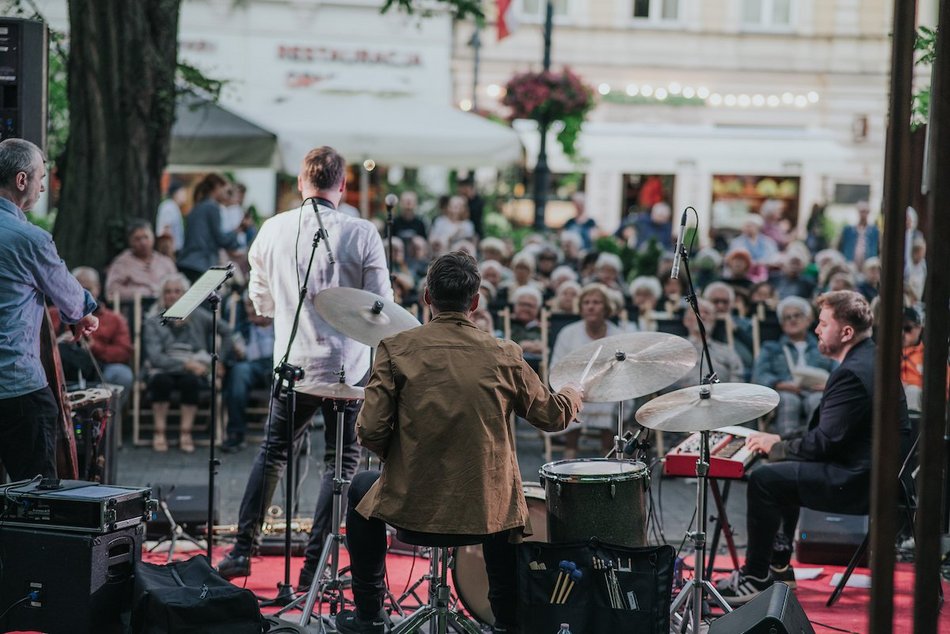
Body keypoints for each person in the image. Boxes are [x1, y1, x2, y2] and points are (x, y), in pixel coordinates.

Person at [335, 251, 583, 634]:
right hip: (483, 515)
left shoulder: (394, 349)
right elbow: (553, 417)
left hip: (411, 509)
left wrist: (401, 456)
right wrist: (572, 393)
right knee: (504, 498)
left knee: (360, 489)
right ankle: (506, 623)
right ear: (476, 302)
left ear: (426, 299)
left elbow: (368, 431)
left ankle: (369, 616)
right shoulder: (505, 354)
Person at [217, 146, 391, 587]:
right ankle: (314, 568)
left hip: (293, 365)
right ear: (343, 185)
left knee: (273, 452)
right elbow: (380, 307)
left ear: (301, 183)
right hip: (348, 369)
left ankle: (242, 550)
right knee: (341, 466)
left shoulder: (273, 229)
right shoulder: (362, 232)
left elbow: (262, 303)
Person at [716, 290, 909, 605]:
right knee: (783, 474)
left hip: (860, 482)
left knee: (765, 480)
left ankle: (756, 577)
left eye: (823, 323)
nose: (817, 330)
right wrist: (780, 442)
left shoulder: (851, 372)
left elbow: (824, 443)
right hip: (873, 472)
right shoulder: (869, 358)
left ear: (846, 332)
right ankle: (779, 569)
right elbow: (831, 433)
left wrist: (777, 445)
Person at [0, 138, 99, 480]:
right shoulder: (29, 239)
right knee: (35, 500)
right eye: (42, 176)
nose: (45, 185)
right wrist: (83, 313)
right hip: (15, 385)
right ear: (22, 180)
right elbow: (70, 298)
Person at [142, 274, 233, 453]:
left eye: (177, 291)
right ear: (162, 295)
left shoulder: (198, 315)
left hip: (194, 369)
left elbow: (227, 331)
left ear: (185, 295)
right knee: (161, 382)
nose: (172, 295)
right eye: (168, 291)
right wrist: (186, 365)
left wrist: (220, 360)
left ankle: (186, 433)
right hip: (163, 369)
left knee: (190, 382)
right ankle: (159, 433)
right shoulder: (153, 321)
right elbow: (155, 358)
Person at [548, 283, 624, 458]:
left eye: (596, 302)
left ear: (606, 308)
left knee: (612, 402)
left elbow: (621, 370)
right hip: (576, 385)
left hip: (607, 388)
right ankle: (570, 455)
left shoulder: (618, 334)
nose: (591, 306)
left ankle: (608, 456)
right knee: (570, 397)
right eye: (586, 302)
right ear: (581, 307)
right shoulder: (568, 333)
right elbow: (557, 366)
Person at [52, 267, 134, 408]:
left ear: (98, 289)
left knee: (122, 374)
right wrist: (57, 343)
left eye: (88, 288)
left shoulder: (114, 319)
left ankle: (105, 423)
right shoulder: (53, 314)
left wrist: (94, 346)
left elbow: (124, 352)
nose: (82, 293)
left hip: (100, 367)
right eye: (78, 287)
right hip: (61, 367)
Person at [752, 296, 835, 437]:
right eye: (787, 317)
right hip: (786, 391)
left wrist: (829, 384)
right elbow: (760, 374)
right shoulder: (771, 348)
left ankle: (816, 446)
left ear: (808, 320)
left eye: (797, 315)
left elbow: (839, 370)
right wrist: (779, 384)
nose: (792, 320)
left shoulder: (825, 346)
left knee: (817, 400)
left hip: (817, 390)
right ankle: (786, 447)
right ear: (782, 324)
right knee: (789, 400)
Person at [222, 293, 275, 452]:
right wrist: (236, 353)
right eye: (248, 306)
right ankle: (236, 434)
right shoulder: (242, 329)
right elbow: (230, 357)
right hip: (251, 370)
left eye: (255, 305)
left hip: (275, 368)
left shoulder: (282, 326)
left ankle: (293, 437)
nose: (251, 310)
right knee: (239, 371)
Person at [176, 173, 247, 283]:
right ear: (217, 187)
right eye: (227, 191)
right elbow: (221, 240)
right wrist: (239, 230)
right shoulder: (212, 207)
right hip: (202, 264)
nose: (228, 196)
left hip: (186, 262)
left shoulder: (198, 206)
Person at [105, 220, 179, 301]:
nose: (143, 242)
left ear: (153, 237)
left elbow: (178, 285)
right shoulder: (121, 263)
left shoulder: (166, 262)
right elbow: (112, 291)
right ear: (130, 241)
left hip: (164, 308)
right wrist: (141, 292)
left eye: (146, 237)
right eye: (137, 239)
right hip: (134, 308)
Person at [155, 180, 187, 255]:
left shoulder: (174, 206)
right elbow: (166, 229)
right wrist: (168, 252)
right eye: (182, 192)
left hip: (175, 250)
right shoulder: (169, 206)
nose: (185, 195)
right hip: (170, 251)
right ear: (175, 193)